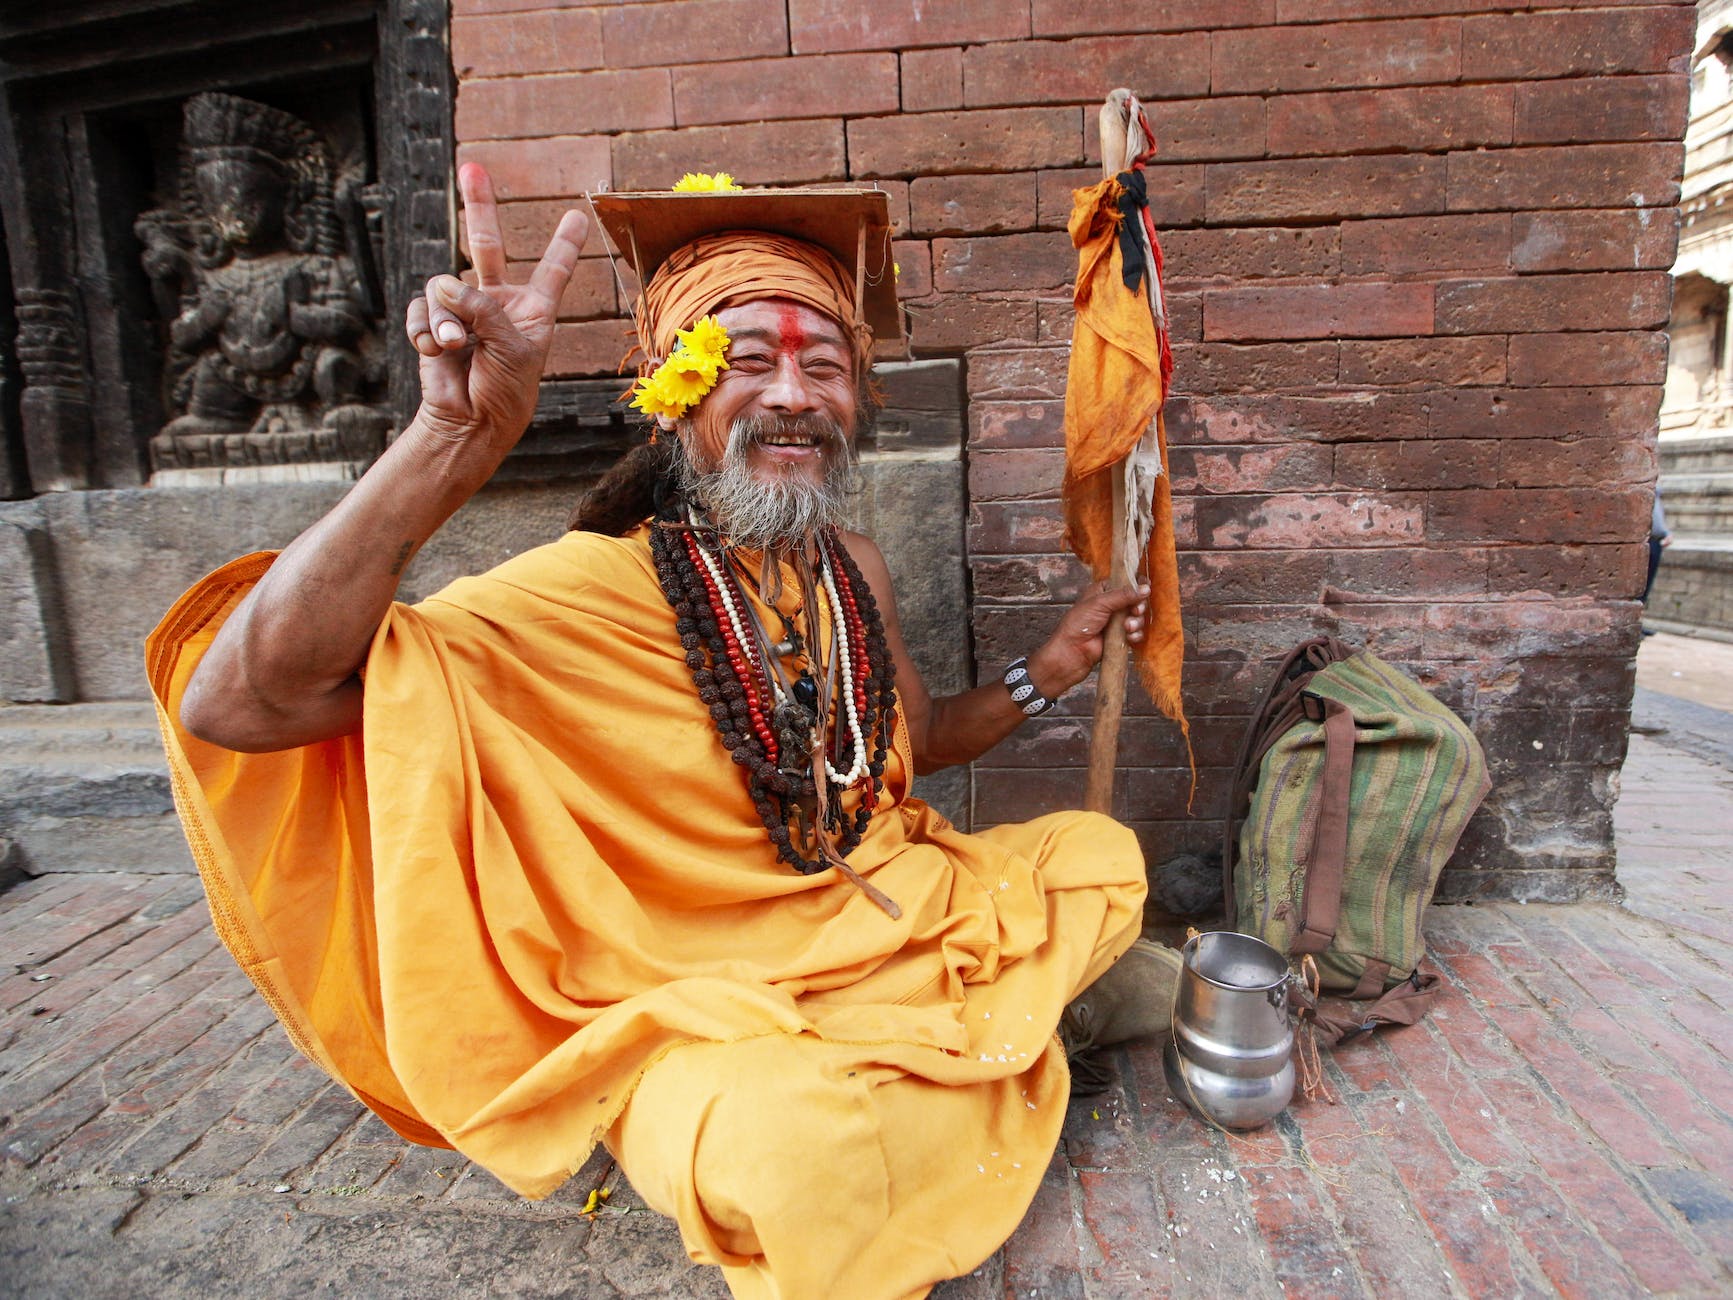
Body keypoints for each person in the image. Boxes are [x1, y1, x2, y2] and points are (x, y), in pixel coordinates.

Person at [147, 163, 1180, 1300]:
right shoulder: (588, 589)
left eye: (822, 365)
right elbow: (245, 702)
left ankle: (1001, 1034)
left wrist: (1045, 673)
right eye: (746, 363)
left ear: (855, 399)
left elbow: (914, 739)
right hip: (713, 995)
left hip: (898, 909)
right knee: (786, 1150)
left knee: (1090, 852)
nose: (792, 393)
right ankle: (1023, 1029)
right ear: (673, 391)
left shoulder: (852, 570)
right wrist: (454, 438)